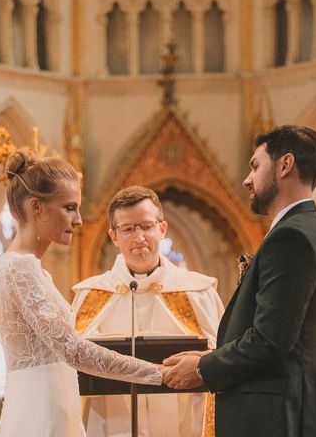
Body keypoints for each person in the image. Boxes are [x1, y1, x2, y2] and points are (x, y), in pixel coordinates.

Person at [162, 125, 316, 437]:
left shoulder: (291, 237)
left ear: (285, 165)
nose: (247, 179)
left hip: (276, 423)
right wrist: (209, 357)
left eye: (255, 166)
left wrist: (203, 369)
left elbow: (269, 341)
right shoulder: (311, 230)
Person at [0, 150, 162, 437]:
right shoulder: (19, 269)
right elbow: (73, 350)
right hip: (41, 412)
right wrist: (155, 373)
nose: (79, 220)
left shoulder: (32, 269)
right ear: (36, 207)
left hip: (52, 404)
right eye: (69, 207)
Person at [71, 186, 224, 437]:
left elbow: (223, 357)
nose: (139, 237)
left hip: (182, 426)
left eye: (147, 226)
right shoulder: (91, 295)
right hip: (110, 423)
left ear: (162, 229)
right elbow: (69, 364)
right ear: (114, 236)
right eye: (128, 229)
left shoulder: (198, 291)